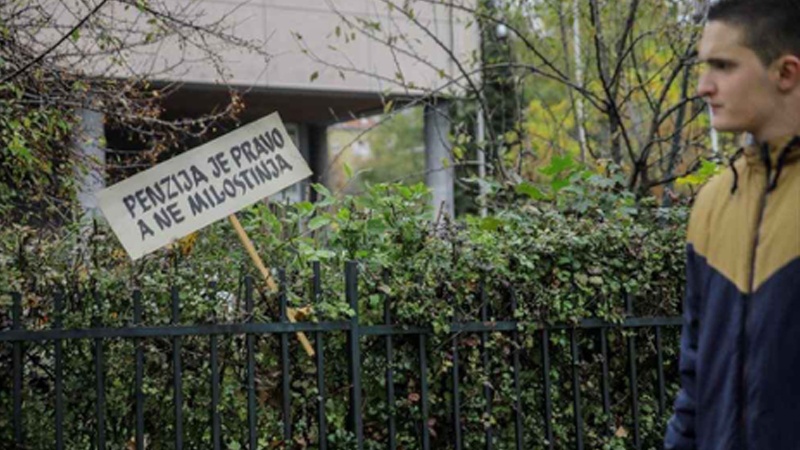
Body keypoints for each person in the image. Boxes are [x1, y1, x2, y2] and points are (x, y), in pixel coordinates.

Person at [664, 0, 800, 449]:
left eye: (723, 66)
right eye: (704, 67)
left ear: (785, 73)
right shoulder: (710, 204)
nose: (703, 87)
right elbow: (694, 384)